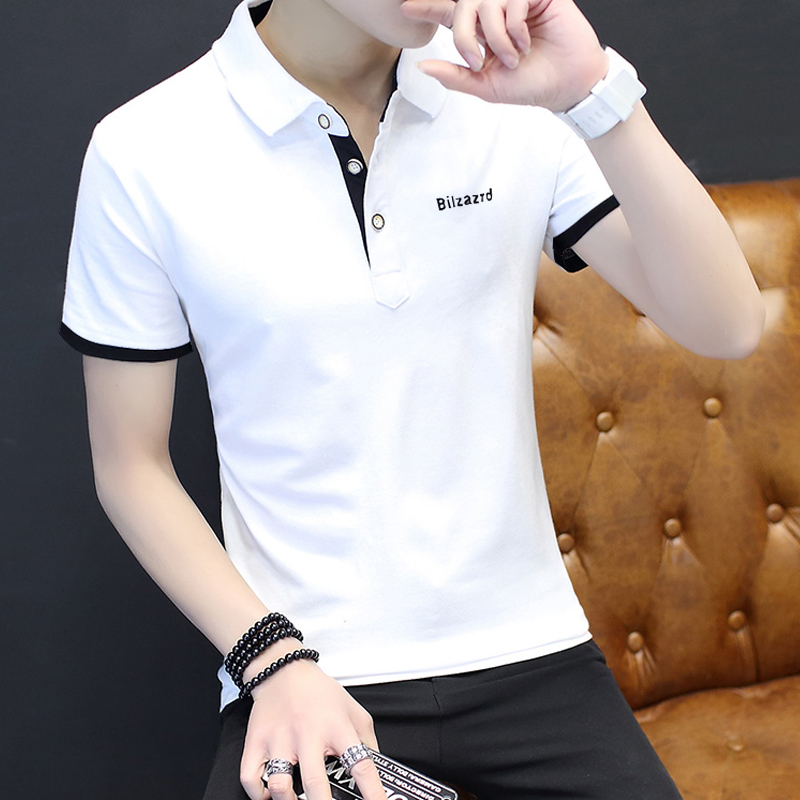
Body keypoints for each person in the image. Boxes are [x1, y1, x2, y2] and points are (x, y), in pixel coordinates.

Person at [60, 1, 765, 799]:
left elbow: (729, 325)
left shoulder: (510, 99)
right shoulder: (145, 148)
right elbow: (131, 465)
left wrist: (593, 93)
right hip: (306, 674)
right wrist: (271, 659)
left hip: (534, 658)